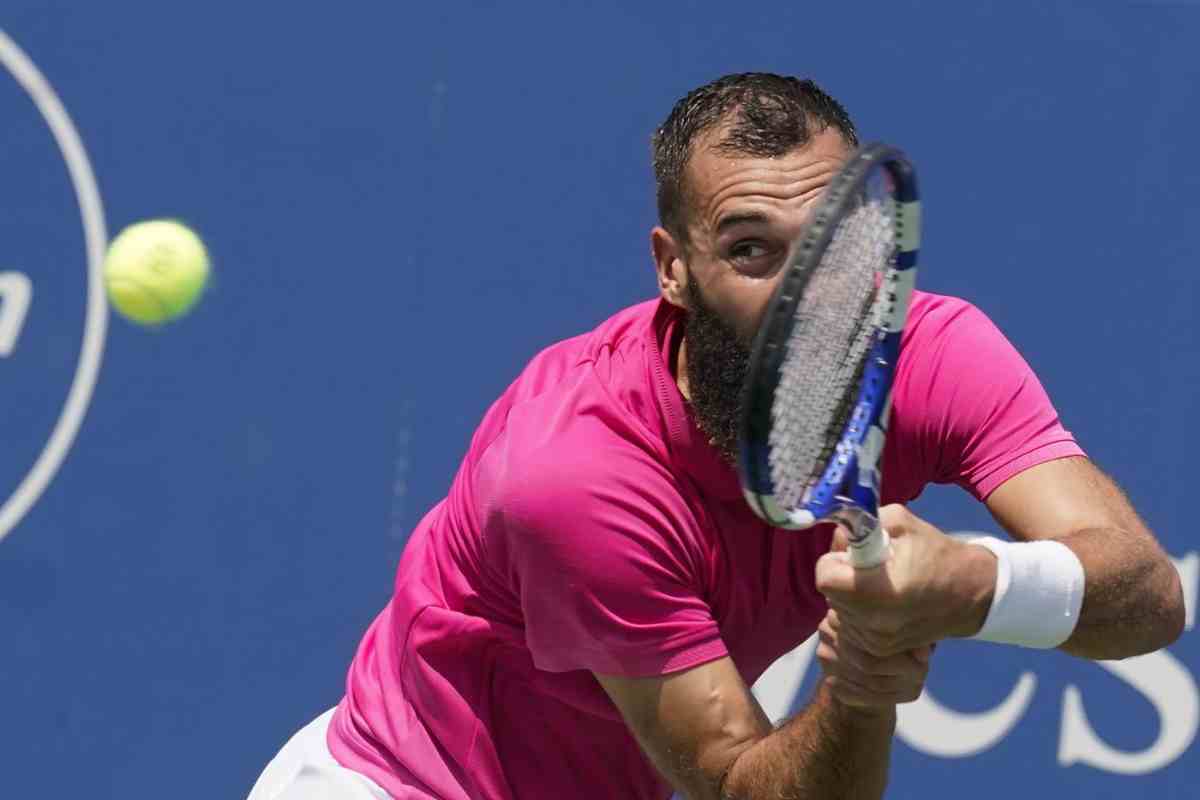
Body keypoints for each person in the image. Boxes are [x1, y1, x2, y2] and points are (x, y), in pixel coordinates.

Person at [247, 73, 1185, 800]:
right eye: (750, 250)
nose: (804, 293)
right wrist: (860, 685)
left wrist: (980, 586)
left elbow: (1147, 599)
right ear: (673, 269)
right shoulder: (573, 476)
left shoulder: (939, 352)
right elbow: (738, 783)